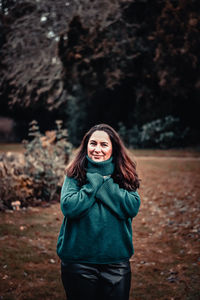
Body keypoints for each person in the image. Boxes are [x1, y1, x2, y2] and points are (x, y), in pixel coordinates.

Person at [57, 123, 141, 300]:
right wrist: (94, 182)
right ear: (86, 146)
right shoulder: (75, 173)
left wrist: (105, 184)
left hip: (116, 262)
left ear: (113, 148)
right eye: (93, 143)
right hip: (78, 261)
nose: (97, 149)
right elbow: (69, 207)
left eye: (104, 145)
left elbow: (131, 206)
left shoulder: (124, 173)